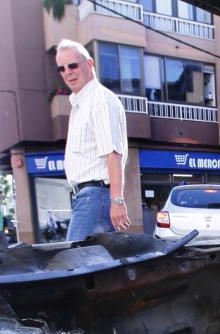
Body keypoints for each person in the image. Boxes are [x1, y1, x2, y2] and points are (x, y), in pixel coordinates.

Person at [55, 39, 131, 241]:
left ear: (89, 64)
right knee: (98, 264)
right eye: (61, 68)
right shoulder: (81, 104)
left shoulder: (99, 100)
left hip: (95, 197)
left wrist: (117, 201)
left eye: (72, 65)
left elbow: (112, 153)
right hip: (88, 197)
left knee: (73, 262)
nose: (67, 72)